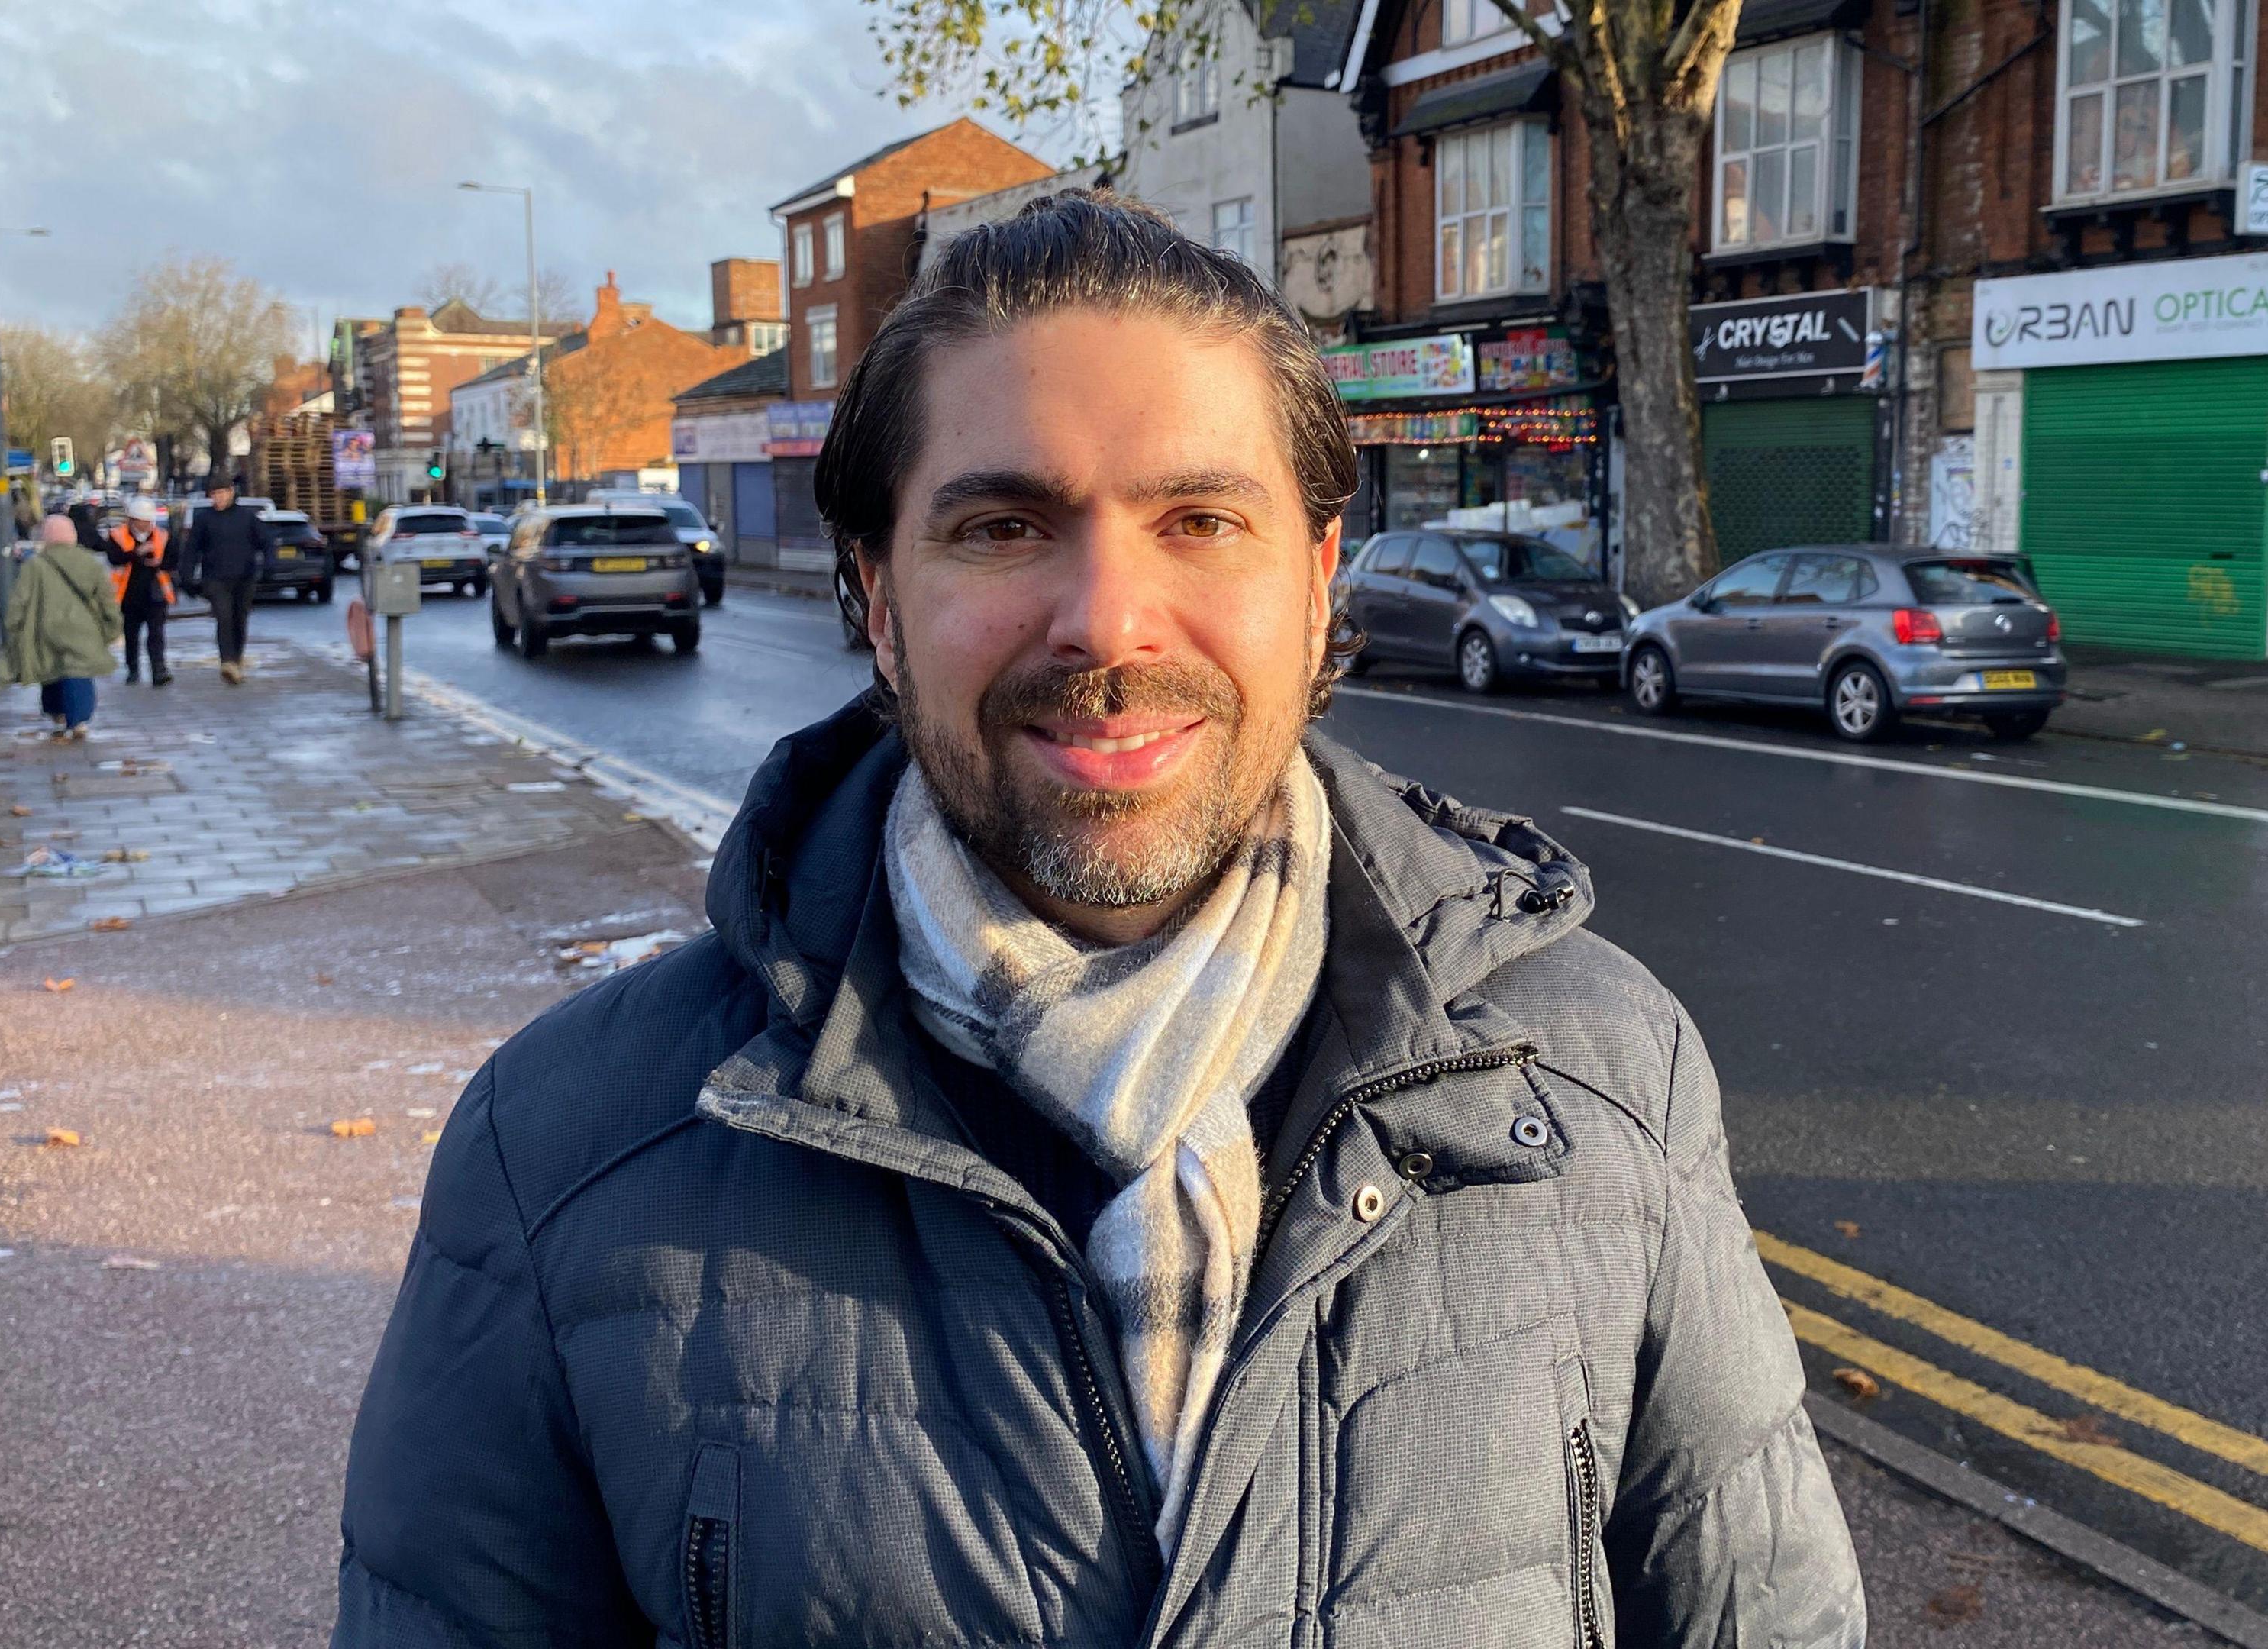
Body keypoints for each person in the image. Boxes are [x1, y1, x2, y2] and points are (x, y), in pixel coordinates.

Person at [336, 193, 1867, 1648]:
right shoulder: (560, 1158)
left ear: (1321, 583)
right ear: (874, 596)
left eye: (1200, 520)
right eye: (1003, 529)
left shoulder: (1607, 1079)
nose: (1107, 622)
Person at [2, 515, 121, 741]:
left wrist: (14, 625)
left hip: (47, 629)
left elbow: (20, 599)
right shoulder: (89, 562)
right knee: (79, 671)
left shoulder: (36, 565)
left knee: (51, 669)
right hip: (82, 629)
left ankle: (57, 713)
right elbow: (106, 597)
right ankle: (79, 720)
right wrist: (113, 623)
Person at [180, 475, 263, 683]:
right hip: (215, 579)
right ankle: (227, 661)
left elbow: (265, 541)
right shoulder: (204, 520)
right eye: (214, 495)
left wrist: (267, 566)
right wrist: (187, 576)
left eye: (222, 493)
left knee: (239, 618)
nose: (218, 498)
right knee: (224, 616)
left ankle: (237, 659)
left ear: (231, 493)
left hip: (244, 577)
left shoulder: (246, 517)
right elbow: (191, 550)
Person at [104, 498, 176, 686]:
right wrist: (137, 553)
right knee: (131, 634)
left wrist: (160, 564)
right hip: (129, 595)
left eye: (148, 521)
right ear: (132, 520)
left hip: (156, 594)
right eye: (141, 521)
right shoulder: (117, 535)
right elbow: (114, 558)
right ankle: (133, 669)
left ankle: (159, 670)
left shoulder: (163, 536)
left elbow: (174, 559)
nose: (146, 525)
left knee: (156, 634)